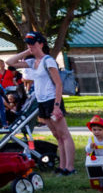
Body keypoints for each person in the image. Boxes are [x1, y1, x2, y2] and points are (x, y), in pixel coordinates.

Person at [7, 31, 75, 175]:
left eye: (33, 43)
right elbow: (10, 62)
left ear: (41, 44)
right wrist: (27, 50)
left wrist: (57, 106)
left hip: (52, 100)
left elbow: (58, 84)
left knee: (64, 135)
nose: (30, 46)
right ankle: (62, 166)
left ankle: (70, 167)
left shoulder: (48, 61)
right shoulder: (32, 62)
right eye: (28, 43)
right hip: (42, 101)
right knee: (57, 136)